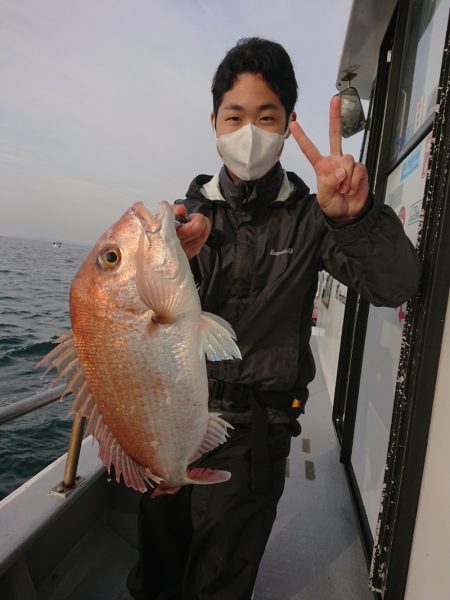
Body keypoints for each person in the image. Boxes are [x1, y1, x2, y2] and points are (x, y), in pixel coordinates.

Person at [127, 37, 420, 600]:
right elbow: (138, 327)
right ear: (214, 121)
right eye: (235, 116)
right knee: (156, 570)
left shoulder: (314, 218)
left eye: (267, 116)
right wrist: (167, 269)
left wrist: (355, 220)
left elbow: (396, 285)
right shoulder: (180, 221)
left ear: (288, 125)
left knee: (219, 580)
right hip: (169, 418)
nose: (250, 131)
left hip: (253, 436)